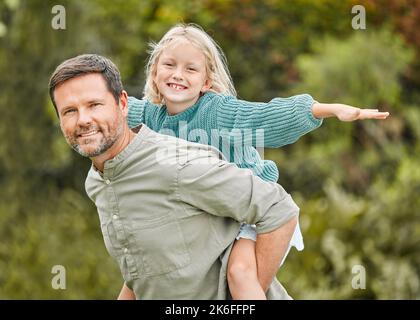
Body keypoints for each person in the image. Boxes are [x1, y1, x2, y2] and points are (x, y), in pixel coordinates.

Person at [126, 23, 390, 299]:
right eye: (169, 65)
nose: (178, 74)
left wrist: (329, 110)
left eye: (190, 69)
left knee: (239, 274)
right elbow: (108, 104)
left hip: (255, 214)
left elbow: (264, 118)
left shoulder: (217, 111)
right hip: (209, 218)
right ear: (155, 73)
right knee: (137, 275)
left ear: (206, 81)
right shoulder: (150, 117)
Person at [48, 53, 301, 300]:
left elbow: (279, 209)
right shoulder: (97, 182)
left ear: (123, 104)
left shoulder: (175, 162)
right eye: (69, 111)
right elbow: (144, 271)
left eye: (94, 105)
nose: (83, 120)